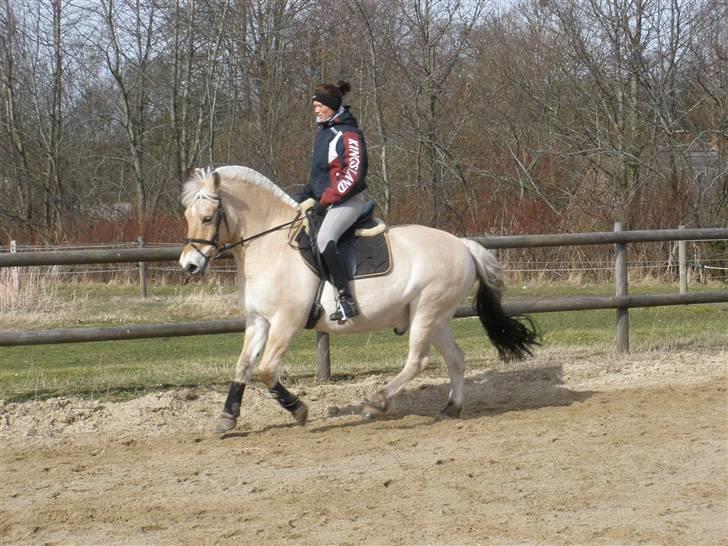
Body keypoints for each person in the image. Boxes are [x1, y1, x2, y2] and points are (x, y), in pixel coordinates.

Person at [293, 80, 369, 322]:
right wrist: (302, 197)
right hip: (326, 201)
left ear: (331, 106)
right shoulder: (324, 134)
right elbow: (319, 178)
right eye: (314, 106)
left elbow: (354, 175)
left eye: (319, 106)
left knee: (325, 240)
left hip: (347, 201)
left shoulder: (349, 134)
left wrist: (325, 200)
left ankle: (346, 299)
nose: (315, 110)